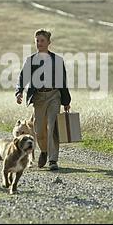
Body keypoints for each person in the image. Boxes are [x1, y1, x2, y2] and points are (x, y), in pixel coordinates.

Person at [15, 29, 71, 171]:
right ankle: (44, 151)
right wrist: (19, 92)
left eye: (42, 41)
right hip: (38, 97)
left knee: (52, 127)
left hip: (54, 96)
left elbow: (63, 82)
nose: (39, 43)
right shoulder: (31, 60)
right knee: (39, 131)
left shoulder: (57, 60)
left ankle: (53, 160)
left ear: (48, 43)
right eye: (37, 41)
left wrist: (66, 101)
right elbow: (23, 77)